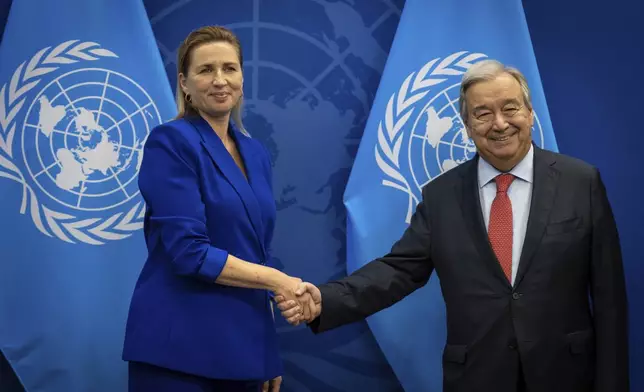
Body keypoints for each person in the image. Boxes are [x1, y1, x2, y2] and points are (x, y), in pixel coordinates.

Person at [277, 60, 629, 392]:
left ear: (530, 113)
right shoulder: (441, 196)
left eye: (510, 108)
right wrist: (326, 299)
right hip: (478, 376)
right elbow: (398, 270)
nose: (500, 123)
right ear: (467, 126)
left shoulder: (581, 182)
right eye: (483, 113)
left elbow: (609, 299)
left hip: (566, 376)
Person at [122, 26, 308, 392]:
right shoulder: (170, 142)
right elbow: (189, 253)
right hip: (178, 352)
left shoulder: (255, 152)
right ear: (185, 84)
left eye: (230, 68)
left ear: (241, 77)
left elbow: (257, 252)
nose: (220, 80)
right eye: (206, 70)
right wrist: (280, 282)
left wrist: (264, 350)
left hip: (243, 349)